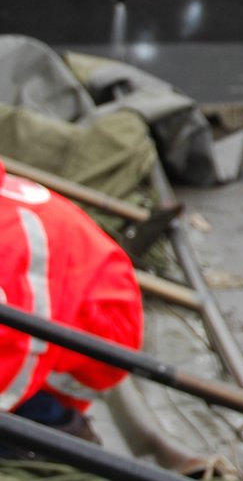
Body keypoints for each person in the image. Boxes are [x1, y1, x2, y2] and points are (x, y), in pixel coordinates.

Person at [0, 160, 144, 444]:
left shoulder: (14, 243)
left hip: (94, 345)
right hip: (40, 305)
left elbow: (22, 352)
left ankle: (60, 427)